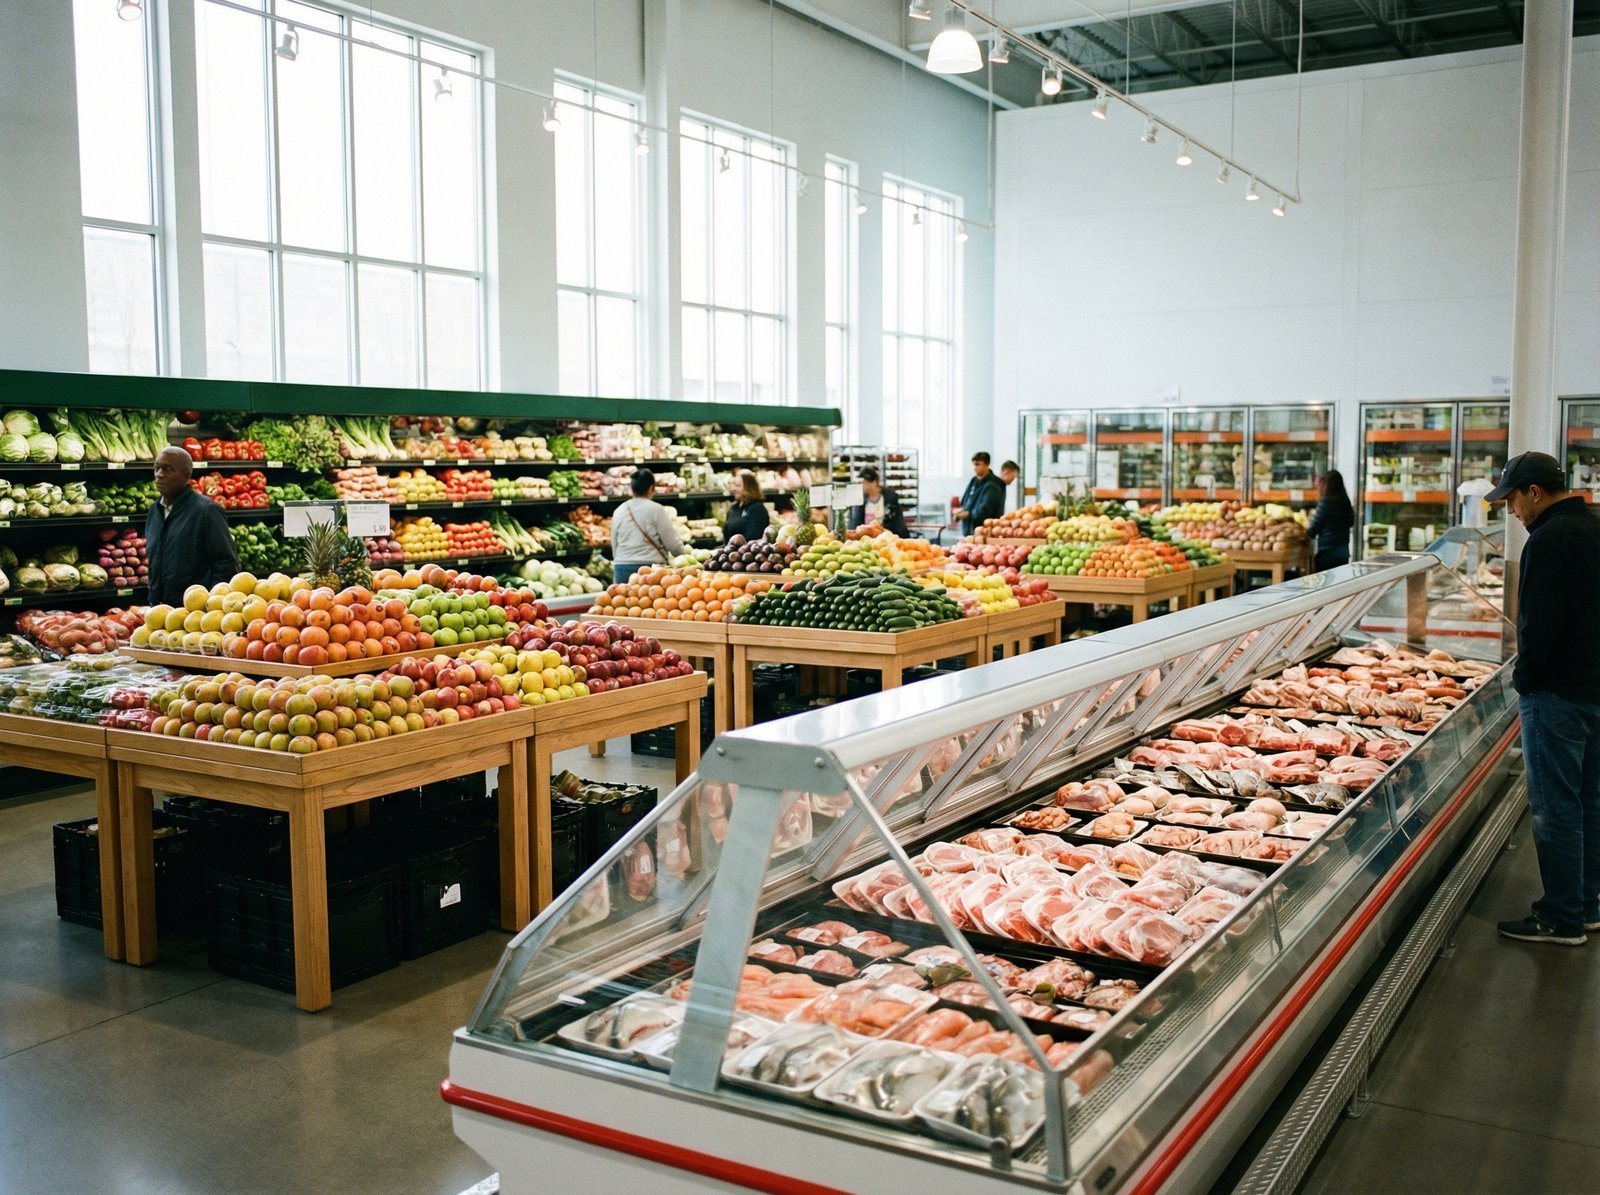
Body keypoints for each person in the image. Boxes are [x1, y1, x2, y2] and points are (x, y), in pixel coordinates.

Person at [1487, 451, 1600, 946]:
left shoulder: (1548, 540)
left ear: (1534, 492)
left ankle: (1560, 917)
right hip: (1595, 689)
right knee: (1589, 802)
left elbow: (1540, 628)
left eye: (1511, 499)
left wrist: (1524, 681)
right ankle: (1586, 905)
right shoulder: (1596, 527)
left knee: (1556, 807)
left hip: (1557, 694)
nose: (1510, 510)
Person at [145, 446, 240, 606]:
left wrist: (208, 605)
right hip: (160, 610)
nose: (159, 475)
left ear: (186, 475)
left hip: (194, 613)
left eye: (168, 469)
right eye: (157, 468)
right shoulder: (155, 511)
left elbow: (227, 564)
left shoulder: (206, 511)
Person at [610, 468, 684, 585]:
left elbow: (614, 545)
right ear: (651, 488)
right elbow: (672, 544)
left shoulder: (619, 510)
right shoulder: (656, 509)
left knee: (623, 602)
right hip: (650, 569)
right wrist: (684, 558)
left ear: (632, 488)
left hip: (622, 568)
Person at [1305, 469, 1355, 570]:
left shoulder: (1327, 503)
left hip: (1328, 551)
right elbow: (1351, 521)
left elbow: (1315, 527)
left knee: (1326, 582)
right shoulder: (1345, 501)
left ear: (1327, 484)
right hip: (1343, 550)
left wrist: (1306, 533)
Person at [952, 452, 1006, 536]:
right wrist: (960, 511)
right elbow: (966, 502)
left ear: (987, 464)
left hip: (984, 531)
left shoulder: (993, 484)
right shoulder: (974, 480)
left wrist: (968, 514)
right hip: (969, 530)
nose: (974, 468)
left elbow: (986, 510)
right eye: (973, 465)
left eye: (977, 464)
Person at [847, 465, 908, 537]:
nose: (862, 485)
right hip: (865, 539)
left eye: (864, 482)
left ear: (874, 482)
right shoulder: (860, 500)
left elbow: (898, 523)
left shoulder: (890, 499)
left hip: (886, 539)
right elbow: (854, 523)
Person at [721, 470, 771, 544]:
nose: (733, 489)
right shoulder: (734, 508)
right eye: (734, 485)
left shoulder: (757, 509)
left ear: (749, 488)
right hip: (730, 553)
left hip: (746, 554)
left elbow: (753, 540)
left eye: (737, 485)